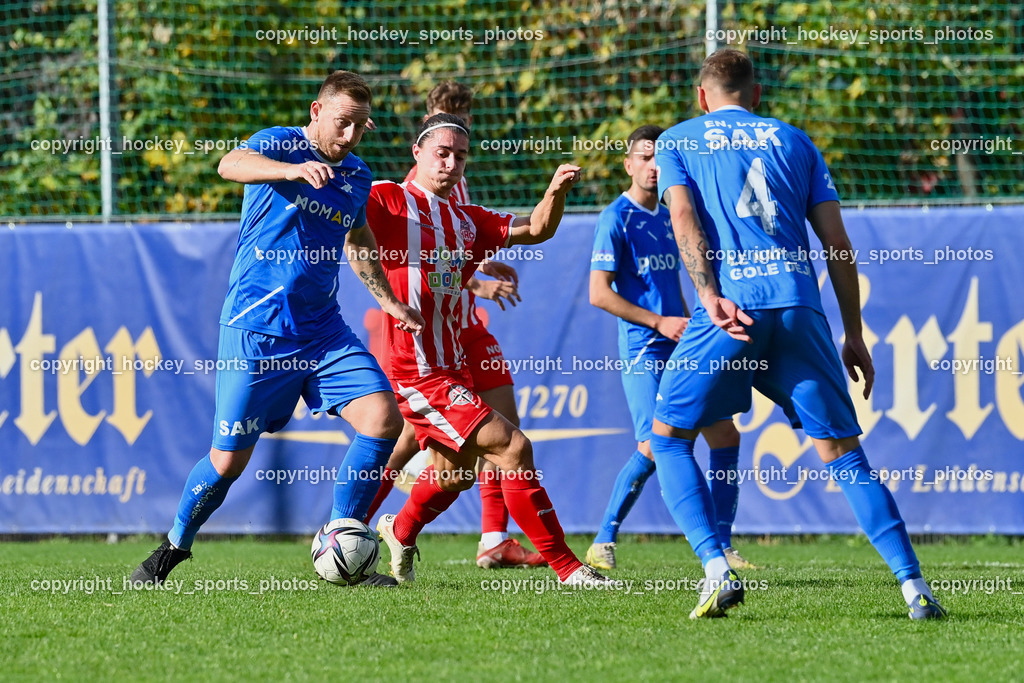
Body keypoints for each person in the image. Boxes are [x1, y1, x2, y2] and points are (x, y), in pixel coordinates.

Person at [651, 49, 947, 619]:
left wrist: (708, 296)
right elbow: (837, 243)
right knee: (844, 455)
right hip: (798, 308)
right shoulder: (795, 140)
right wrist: (853, 332)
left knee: (667, 438)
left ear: (702, 97)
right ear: (757, 94)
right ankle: (916, 589)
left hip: (730, 309)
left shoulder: (678, 139)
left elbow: (683, 218)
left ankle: (716, 568)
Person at [129, 71, 423, 588]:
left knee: (383, 419)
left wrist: (389, 301)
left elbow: (357, 239)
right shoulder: (280, 144)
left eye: (360, 126)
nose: (350, 135)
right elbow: (229, 164)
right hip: (257, 329)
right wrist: (292, 170)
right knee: (227, 463)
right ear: (316, 111)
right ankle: (173, 547)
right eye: (343, 122)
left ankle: (344, 542)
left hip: (323, 331)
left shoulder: (357, 175)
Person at [366, 112, 617, 587]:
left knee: (455, 476)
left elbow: (537, 229)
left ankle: (399, 531)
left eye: (460, 156)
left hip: (453, 364)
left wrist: (555, 193)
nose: (450, 163)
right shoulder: (388, 199)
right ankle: (569, 569)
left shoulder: (467, 220)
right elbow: (340, 213)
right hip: (417, 369)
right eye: (441, 152)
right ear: (417, 153)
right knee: (513, 447)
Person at [363, 81, 545, 569]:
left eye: (465, 117)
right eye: (448, 116)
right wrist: (478, 282)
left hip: (465, 330)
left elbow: (456, 243)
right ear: (427, 128)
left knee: (500, 432)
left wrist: (479, 267)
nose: (457, 129)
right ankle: (350, 524)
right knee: (406, 441)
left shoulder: (457, 176)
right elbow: (417, 259)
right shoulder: (414, 185)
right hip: (427, 335)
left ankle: (492, 537)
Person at [586, 124, 751, 571]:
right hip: (645, 348)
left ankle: (724, 545)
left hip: (684, 342)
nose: (654, 166)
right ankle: (603, 540)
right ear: (628, 164)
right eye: (644, 158)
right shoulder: (615, 218)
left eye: (660, 158)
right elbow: (598, 293)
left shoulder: (669, 214)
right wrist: (659, 321)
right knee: (652, 445)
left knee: (725, 434)